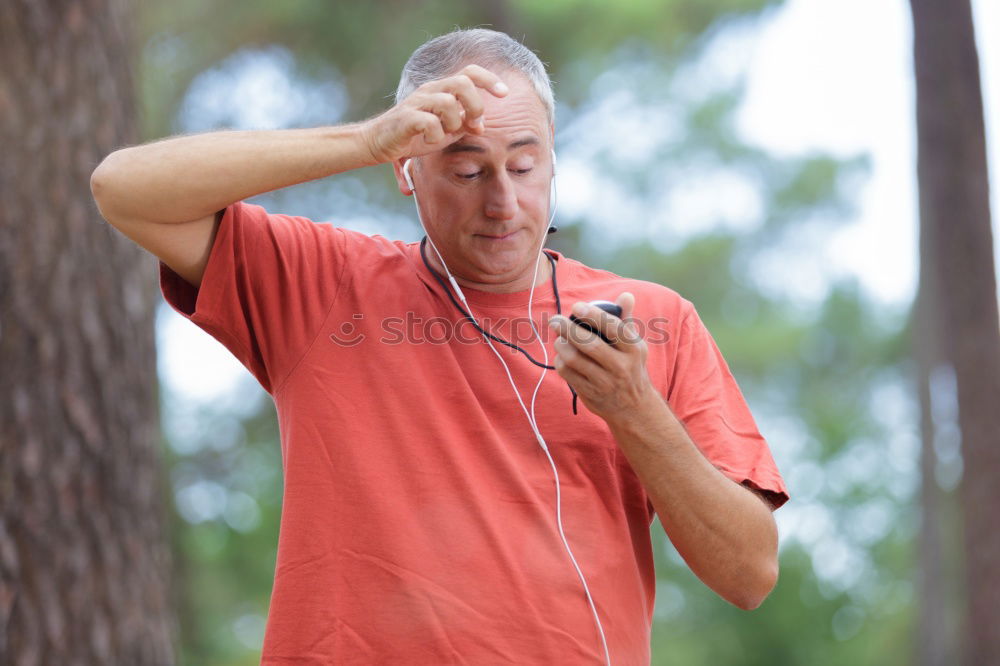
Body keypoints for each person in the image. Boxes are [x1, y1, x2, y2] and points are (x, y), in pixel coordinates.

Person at [91, 27, 789, 666]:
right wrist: (365, 139)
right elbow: (122, 188)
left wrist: (633, 409)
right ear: (407, 171)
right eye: (466, 171)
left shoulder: (650, 323)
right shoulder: (322, 283)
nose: (503, 203)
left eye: (524, 165)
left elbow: (749, 573)